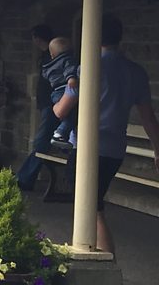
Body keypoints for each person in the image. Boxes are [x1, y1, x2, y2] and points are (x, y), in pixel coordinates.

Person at [51, 14, 159, 256]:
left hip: (86, 147)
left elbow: (61, 110)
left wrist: (56, 101)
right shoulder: (136, 72)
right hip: (115, 149)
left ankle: (106, 262)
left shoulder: (87, 68)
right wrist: (157, 149)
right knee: (93, 206)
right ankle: (93, 255)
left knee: (91, 210)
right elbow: (148, 117)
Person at [16, 24, 59, 190]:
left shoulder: (53, 56)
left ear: (37, 38)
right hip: (47, 104)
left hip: (52, 105)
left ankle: (25, 178)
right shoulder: (45, 56)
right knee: (43, 141)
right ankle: (25, 176)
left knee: (41, 142)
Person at [44, 36, 79, 140]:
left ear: (52, 55)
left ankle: (61, 135)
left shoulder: (49, 66)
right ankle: (60, 133)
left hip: (55, 93)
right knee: (74, 114)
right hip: (64, 90)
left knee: (68, 115)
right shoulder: (67, 60)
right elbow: (69, 69)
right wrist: (71, 78)